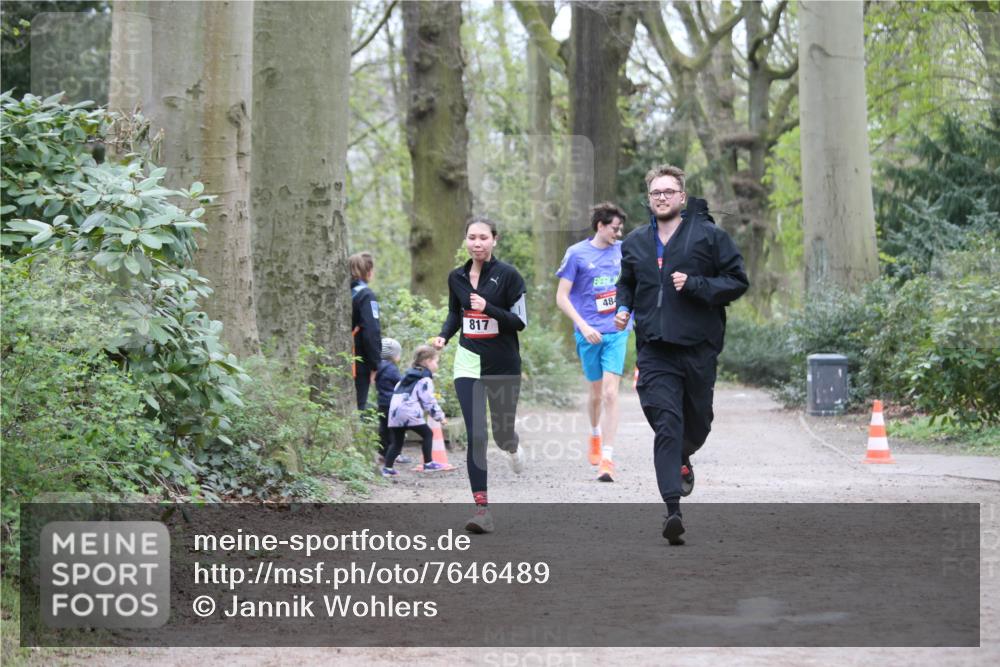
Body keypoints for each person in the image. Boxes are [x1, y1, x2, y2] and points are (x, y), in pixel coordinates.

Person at [615, 164, 748, 545]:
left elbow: (737, 281)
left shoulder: (709, 236)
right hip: (655, 349)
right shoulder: (636, 242)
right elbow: (627, 282)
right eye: (655, 193)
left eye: (668, 192)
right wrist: (624, 306)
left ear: (682, 197)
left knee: (698, 422)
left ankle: (684, 457)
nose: (661, 198)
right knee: (666, 424)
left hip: (698, 348)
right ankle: (672, 508)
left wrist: (696, 284)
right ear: (649, 198)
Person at [433, 217, 528, 534]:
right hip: (468, 362)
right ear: (466, 241)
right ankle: (482, 509)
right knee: (476, 434)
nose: (477, 243)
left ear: (494, 240)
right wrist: (444, 336)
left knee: (501, 435)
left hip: (503, 364)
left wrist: (488, 307)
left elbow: (519, 322)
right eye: (471, 237)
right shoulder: (456, 277)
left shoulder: (509, 276)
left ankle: (512, 446)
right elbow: (454, 313)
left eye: (483, 237)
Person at [555, 202, 631, 482]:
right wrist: (583, 325)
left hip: (617, 331)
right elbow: (561, 297)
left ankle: (608, 459)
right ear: (600, 225)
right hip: (588, 332)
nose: (618, 233)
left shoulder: (624, 252)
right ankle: (595, 434)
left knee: (612, 393)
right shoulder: (576, 255)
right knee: (596, 393)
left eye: (620, 228)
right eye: (614, 228)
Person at [383, 345, 450, 477]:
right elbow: (428, 400)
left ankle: (388, 468)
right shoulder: (424, 379)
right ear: (428, 361)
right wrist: (440, 417)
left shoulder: (406, 376)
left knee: (397, 442)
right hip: (409, 412)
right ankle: (429, 463)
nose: (437, 365)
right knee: (428, 434)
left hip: (395, 413)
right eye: (436, 361)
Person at [350, 251, 381, 412]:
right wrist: (376, 364)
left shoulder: (344, 293)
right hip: (359, 361)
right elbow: (371, 331)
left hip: (342, 357)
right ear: (368, 271)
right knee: (358, 406)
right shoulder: (366, 295)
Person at [375, 337, 405, 462]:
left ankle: (383, 452)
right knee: (395, 430)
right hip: (392, 403)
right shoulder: (391, 368)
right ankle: (395, 454)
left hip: (382, 402)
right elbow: (401, 382)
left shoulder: (378, 367)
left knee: (384, 429)